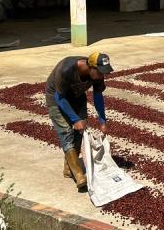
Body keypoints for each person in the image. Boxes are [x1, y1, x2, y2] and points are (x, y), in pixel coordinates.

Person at [46, 52, 114, 191]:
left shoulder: (97, 75)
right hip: (57, 98)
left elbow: (97, 95)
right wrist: (75, 119)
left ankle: (68, 168)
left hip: (77, 97)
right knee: (66, 132)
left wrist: (102, 120)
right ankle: (78, 175)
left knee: (80, 132)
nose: (102, 76)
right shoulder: (67, 70)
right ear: (91, 67)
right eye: (100, 72)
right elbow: (60, 98)